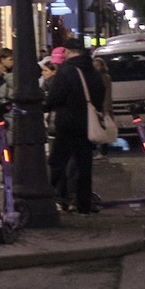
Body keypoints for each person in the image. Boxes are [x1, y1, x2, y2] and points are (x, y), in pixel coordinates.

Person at [45, 43, 104, 214]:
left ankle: (50, 198)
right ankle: (83, 205)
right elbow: (100, 93)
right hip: (87, 125)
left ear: (70, 53)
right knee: (84, 166)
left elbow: (56, 96)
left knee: (57, 162)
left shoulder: (66, 71)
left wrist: (47, 106)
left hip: (67, 123)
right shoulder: (93, 71)